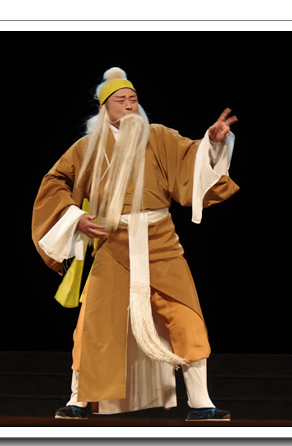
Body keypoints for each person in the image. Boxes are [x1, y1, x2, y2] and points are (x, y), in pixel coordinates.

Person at [31, 67, 239, 421]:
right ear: (104, 108)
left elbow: (191, 161)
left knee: (187, 317)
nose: (129, 105)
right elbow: (56, 183)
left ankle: (202, 402)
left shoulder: (158, 137)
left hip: (161, 243)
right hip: (112, 243)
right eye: (120, 100)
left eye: (133, 99)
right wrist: (75, 217)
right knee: (94, 323)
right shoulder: (87, 148)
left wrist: (214, 143)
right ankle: (78, 399)